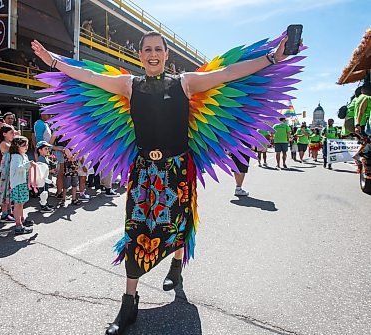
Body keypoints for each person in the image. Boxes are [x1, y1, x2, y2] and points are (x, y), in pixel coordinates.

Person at [31, 30, 292, 334]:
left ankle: (176, 267)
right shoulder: (129, 85)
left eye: (158, 49)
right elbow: (88, 76)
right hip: (143, 171)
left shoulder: (185, 82)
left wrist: (272, 58)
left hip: (178, 169)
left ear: (167, 55)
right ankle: (129, 303)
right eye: (147, 49)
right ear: (139, 55)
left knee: (178, 223)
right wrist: (53, 61)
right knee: (136, 230)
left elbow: (229, 72)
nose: (152, 54)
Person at [9, 136, 35, 234]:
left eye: (27, 145)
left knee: (22, 203)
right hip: (17, 183)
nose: (26, 147)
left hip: (22, 182)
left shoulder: (23, 155)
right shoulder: (16, 157)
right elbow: (18, 168)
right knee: (18, 204)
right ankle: (18, 226)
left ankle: (22, 219)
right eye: (23, 145)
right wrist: (28, 165)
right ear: (17, 146)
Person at [0, 124, 17, 222]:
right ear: (4, 134)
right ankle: (4, 214)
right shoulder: (4, 143)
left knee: (9, 191)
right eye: (11, 132)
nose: (13, 134)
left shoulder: (9, 142)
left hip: (10, 170)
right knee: (5, 191)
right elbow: (14, 150)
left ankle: (9, 211)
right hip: (6, 170)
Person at [35, 140, 55, 212]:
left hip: (46, 178)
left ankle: (45, 203)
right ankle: (43, 206)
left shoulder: (45, 157)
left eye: (48, 148)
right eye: (45, 149)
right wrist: (50, 171)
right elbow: (41, 170)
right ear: (40, 150)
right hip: (43, 179)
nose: (47, 150)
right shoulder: (41, 159)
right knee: (43, 192)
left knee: (46, 191)